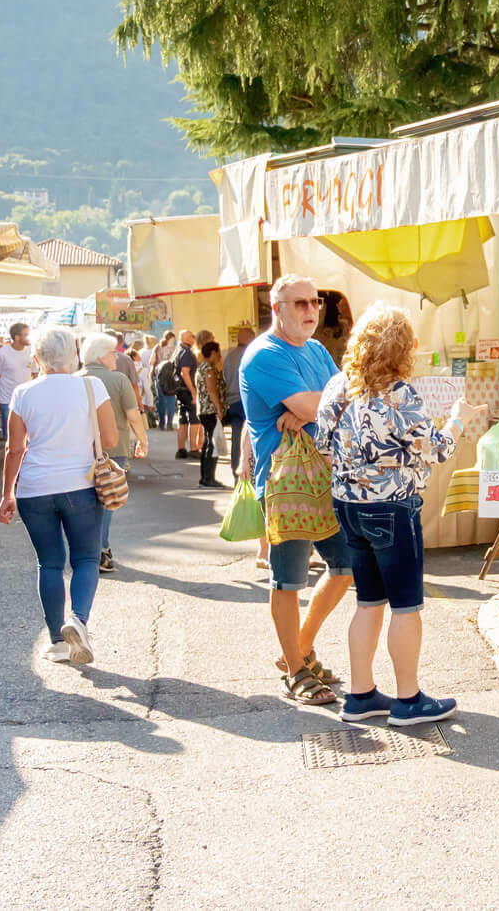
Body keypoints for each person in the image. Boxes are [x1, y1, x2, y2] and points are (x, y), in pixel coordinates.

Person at [315, 304, 478, 725]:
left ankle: (360, 694)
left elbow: (321, 445)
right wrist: (458, 420)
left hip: (348, 505)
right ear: (404, 349)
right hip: (391, 508)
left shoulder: (337, 387)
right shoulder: (400, 395)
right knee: (406, 606)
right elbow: (437, 450)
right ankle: (408, 700)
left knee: (368, 602)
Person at [237, 276, 355, 708]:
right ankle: (294, 671)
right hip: (284, 483)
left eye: (316, 301)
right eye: (301, 302)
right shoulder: (264, 355)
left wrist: (311, 408)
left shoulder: (318, 349)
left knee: (346, 567)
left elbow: (347, 399)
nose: (311, 309)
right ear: (277, 308)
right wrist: (309, 409)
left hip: (323, 476)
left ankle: (298, 651)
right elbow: (319, 406)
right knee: (287, 580)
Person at [0, 326, 119, 665]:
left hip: (34, 489)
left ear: (36, 358)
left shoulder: (23, 392)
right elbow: (109, 438)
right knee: (85, 559)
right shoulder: (92, 385)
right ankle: (77, 620)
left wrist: (8, 494)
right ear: (75, 355)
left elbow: (15, 449)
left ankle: (57, 642)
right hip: (80, 484)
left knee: (48, 563)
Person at [82, 334, 147, 574]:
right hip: (114, 450)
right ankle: (100, 550)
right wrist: (143, 440)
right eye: (112, 352)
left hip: (82, 449)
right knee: (107, 501)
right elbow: (133, 415)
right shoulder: (118, 379)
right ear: (100, 355)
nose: (116, 356)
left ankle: (87, 550)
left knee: (86, 502)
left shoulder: (74, 379)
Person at [222, 325, 253, 474]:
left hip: (233, 401)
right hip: (249, 401)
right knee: (251, 436)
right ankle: (249, 468)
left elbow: (224, 379)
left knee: (236, 437)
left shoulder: (229, 357)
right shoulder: (252, 354)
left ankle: (236, 468)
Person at [195, 339, 227, 488]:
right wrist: (219, 408)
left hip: (203, 410)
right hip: (210, 410)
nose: (220, 356)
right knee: (212, 444)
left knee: (208, 443)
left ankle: (205, 477)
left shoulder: (201, 367)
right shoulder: (209, 369)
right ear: (213, 353)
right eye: (218, 352)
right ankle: (209, 478)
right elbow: (212, 390)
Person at [0, 324, 33, 422]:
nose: (29, 337)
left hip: (27, 400)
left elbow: (35, 375)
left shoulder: (31, 352)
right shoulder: (1, 353)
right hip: (7, 400)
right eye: (26, 335)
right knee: (10, 433)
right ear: (17, 337)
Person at [175, 330, 201, 459]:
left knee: (183, 420)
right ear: (186, 338)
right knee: (194, 419)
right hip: (187, 390)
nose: (194, 338)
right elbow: (185, 373)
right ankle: (194, 448)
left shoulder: (177, 351)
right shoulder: (187, 353)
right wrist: (193, 391)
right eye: (192, 336)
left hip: (179, 390)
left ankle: (181, 449)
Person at [152, 332, 179, 429]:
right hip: (170, 378)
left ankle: (162, 423)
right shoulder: (176, 350)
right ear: (172, 338)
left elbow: (152, 362)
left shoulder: (158, 347)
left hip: (159, 376)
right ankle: (169, 423)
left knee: (161, 400)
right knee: (171, 399)